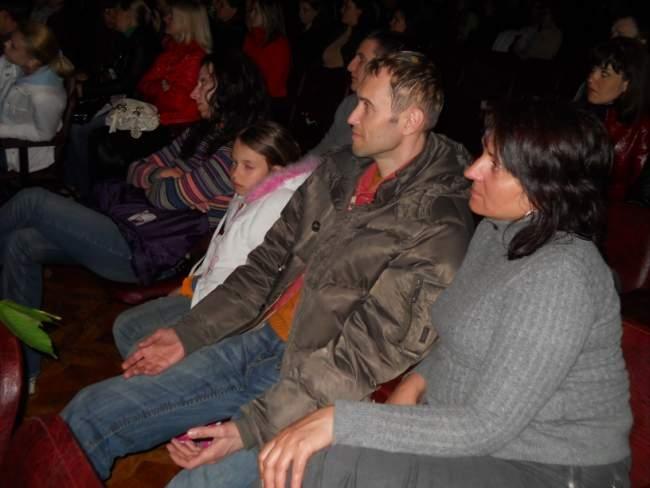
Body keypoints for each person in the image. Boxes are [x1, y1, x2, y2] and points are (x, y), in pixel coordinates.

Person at [61, 51, 474, 487]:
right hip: (259, 337)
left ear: (410, 120)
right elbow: (262, 267)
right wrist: (190, 332)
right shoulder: (339, 169)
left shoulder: (437, 226)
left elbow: (360, 359)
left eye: (367, 106)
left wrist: (251, 426)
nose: (351, 117)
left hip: (324, 387)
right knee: (88, 415)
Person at [259, 99, 633, 488]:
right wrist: (416, 382)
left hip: (552, 468)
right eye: (482, 153)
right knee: (316, 454)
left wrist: (342, 420)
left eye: (495, 165)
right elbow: (459, 337)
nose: (472, 170)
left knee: (323, 463)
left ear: (543, 188)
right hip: (481, 442)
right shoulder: (495, 232)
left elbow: (486, 425)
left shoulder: (560, 278)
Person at [0, 50, 267, 393]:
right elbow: (136, 168)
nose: (193, 92)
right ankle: (22, 372)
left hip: (151, 250)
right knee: (20, 242)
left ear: (229, 90)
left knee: (32, 200)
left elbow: (170, 197)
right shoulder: (200, 134)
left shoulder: (235, 154)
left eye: (204, 84)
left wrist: (169, 183)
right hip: (133, 227)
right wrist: (163, 177)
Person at [113, 120, 315, 358]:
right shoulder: (247, 193)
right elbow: (221, 256)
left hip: (224, 307)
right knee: (127, 327)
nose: (235, 173)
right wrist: (190, 286)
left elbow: (254, 283)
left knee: (139, 342)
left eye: (248, 166)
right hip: (206, 289)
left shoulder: (276, 206)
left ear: (277, 172)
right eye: (234, 163)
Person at [92, 0, 213, 170]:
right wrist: (162, 87)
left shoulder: (195, 56)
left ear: (186, 22)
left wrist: (160, 88)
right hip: (157, 117)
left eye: (171, 16)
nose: (165, 19)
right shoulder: (171, 48)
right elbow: (144, 84)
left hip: (176, 126)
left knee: (106, 146)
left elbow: (175, 102)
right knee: (102, 139)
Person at [65, 0, 161, 198]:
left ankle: (84, 189)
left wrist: (87, 89)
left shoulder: (141, 41)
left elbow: (128, 83)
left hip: (132, 106)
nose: (112, 17)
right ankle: (73, 182)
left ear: (128, 15)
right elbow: (114, 73)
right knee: (75, 120)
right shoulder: (127, 39)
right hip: (120, 100)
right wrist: (90, 81)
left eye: (116, 12)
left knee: (79, 129)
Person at [309, 30, 412, 156]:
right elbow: (323, 149)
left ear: (386, 69)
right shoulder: (350, 103)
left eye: (361, 60)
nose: (350, 67)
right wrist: (294, 168)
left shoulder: (394, 120)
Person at [0, 20, 74, 174]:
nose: (5, 44)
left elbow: (44, 134)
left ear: (33, 61)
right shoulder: (20, 64)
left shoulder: (45, 97)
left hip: (18, 151)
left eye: (13, 45)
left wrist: (3, 130)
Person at [585, 37, 649, 203]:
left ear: (627, 83)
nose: (591, 78)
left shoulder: (642, 130)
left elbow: (640, 198)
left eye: (604, 74)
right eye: (593, 69)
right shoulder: (581, 113)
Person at [243, 0, 290, 119]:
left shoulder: (279, 44)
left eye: (256, 10)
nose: (251, 14)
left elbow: (273, 85)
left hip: (270, 104)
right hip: (252, 99)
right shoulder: (250, 39)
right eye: (251, 10)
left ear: (268, 14)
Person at [322, 0, 381, 70]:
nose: (341, 10)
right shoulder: (339, 29)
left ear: (359, 11)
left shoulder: (364, 39)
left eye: (347, 7)